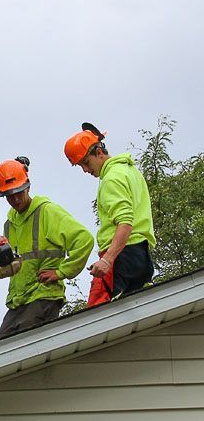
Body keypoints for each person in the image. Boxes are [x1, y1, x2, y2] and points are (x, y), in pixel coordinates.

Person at [0, 156, 93, 337]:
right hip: (18, 301)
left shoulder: (47, 212)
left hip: (43, 296)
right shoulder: (9, 224)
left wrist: (61, 272)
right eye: (9, 195)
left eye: (18, 192)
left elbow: (84, 239)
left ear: (28, 186)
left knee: (23, 352)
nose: (15, 199)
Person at [64, 123, 155, 306]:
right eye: (80, 166)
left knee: (97, 317)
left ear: (99, 152)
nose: (85, 170)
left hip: (122, 256)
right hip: (141, 256)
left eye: (86, 163)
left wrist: (107, 259)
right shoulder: (130, 171)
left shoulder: (111, 179)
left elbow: (125, 222)